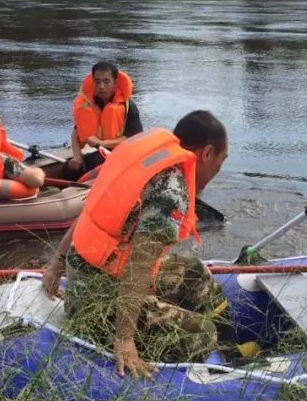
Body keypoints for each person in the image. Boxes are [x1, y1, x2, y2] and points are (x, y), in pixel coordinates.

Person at [43, 111, 230, 378]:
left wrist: (56, 265)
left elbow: (90, 214)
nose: (218, 170)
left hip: (97, 275)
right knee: (203, 334)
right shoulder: (172, 192)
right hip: (98, 303)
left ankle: (230, 351)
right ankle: (211, 368)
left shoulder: (144, 162)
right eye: (222, 161)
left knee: (195, 273)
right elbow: (139, 266)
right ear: (208, 153)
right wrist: (124, 338)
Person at [66, 60, 143, 177]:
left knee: (96, 161)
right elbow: (76, 132)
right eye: (97, 82)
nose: (101, 87)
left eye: (106, 82)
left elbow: (132, 139)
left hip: (120, 156)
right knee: (69, 168)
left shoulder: (128, 107)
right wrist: (77, 157)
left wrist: (102, 143)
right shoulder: (88, 104)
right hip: (97, 152)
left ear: (115, 83)